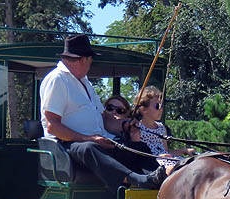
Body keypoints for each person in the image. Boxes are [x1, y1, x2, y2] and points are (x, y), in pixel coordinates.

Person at [39, 35, 166, 189]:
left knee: (138, 147)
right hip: (66, 145)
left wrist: (124, 124)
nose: (90, 65)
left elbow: (103, 117)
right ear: (83, 59)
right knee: (89, 149)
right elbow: (53, 126)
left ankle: (160, 182)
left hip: (97, 140)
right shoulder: (57, 80)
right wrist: (89, 138)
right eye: (90, 61)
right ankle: (137, 179)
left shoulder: (85, 82)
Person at [134, 86, 194, 169]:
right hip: (153, 165)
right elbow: (137, 155)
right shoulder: (137, 129)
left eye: (162, 106)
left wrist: (183, 151)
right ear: (143, 109)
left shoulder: (161, 128)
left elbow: (166, 151)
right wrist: (156, 157)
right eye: (157, 106)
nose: (161, 109)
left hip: (167, 160)